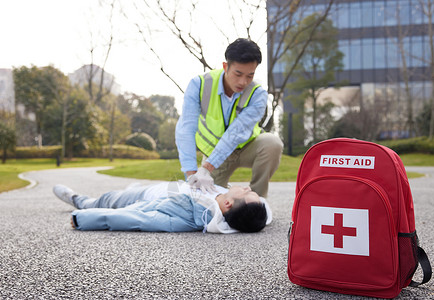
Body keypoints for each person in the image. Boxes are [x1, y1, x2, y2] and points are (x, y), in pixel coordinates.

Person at [176, 38, 283, 198]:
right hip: (215, 155)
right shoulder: (199, 85)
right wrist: (192, 175)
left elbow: (236, 133)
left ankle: (258, 198)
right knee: (208, 200)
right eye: (238, 74)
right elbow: (186, 129)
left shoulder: (257, 94)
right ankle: (228, 190)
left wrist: (206, 168)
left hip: (247, 148)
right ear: (226, 67)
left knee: (272, 143)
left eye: (250, 75)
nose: (243, 82)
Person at [52, 181, 271, 233]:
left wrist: (85, 218)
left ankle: (78, 200)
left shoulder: (191, 216)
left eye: (246, 192)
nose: (247, 187)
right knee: (122, 192)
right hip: (158, 186)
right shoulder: (225, 202)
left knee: (105, 200)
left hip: (142, 198)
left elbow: (137, 218)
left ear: (228, 204)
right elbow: (263, 214)